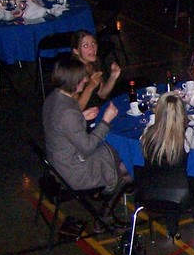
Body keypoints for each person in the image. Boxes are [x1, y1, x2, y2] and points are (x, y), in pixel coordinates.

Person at [42, 57, 130, 226]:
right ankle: (106, 211)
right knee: (123, 155)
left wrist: (81, 117)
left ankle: (116, 185)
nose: (85, 80)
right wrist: (106, 120)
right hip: (73, 171)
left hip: (57, 164)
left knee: (115, 154)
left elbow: (60, 127)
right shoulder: (68, 112)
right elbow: (88, 146)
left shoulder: (54, 98)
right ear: (74, 82)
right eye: (82, 78)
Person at [139, 92, 194, 238]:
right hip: (180, 195)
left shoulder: (147, 134)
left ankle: (172, 229)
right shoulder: (186, 135)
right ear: (182, 114)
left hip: (149, 192)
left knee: (167, 180)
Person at [71, 29, 122, 108]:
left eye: (93, 43)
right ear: (76, 51)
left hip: (97, 108)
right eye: (85, 45)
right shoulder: (73, 72)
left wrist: (113, 76)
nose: (92, 48)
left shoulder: (93, 64)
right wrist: (90, 86)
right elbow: (75, 109)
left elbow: (102, 94)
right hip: (84, 114)